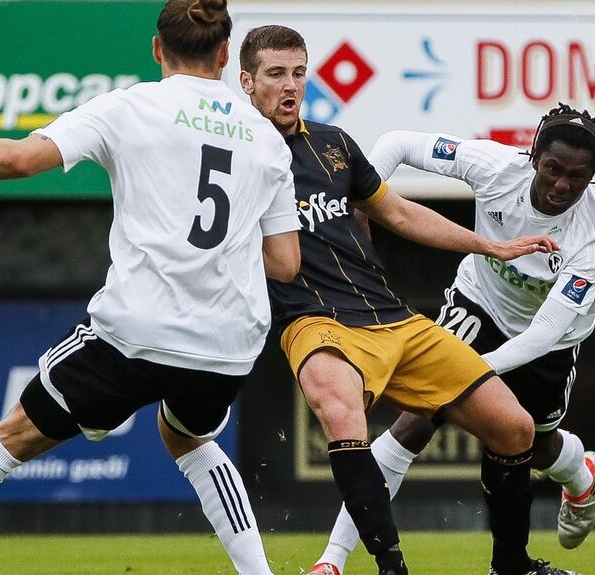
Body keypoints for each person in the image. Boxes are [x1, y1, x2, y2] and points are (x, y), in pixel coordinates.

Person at [0, 2, 301, 574]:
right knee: (188, 437)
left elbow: (18, 159)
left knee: (14, 434)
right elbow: (286, 263)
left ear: (156, 49)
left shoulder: (129, 107)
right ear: (225, 55)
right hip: (225, 343)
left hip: (135, 332)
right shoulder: (266, 140)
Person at [238, 25, 566, 575]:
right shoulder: (233, 159)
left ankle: (511, 565)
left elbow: (400, 213)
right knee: (344, 418)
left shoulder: (334, 144)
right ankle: (391, 568)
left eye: (298, 72)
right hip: (314, 322)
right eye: (275, 74)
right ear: (247, 81)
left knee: (516, 429)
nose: (290, 86)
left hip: (394, 318)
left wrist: (492, 245)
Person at [310, 104, 595, 575]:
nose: (560, 185)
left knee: (532, 446)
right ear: (533, 155)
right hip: (478, 304)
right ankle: (332, 562)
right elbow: (398, 141)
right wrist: (362, 201)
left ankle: (581, 473)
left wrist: (474, 375)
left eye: (576, 178)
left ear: (592, 178)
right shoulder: (496, 166)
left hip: (547, 344)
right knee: (416, 420)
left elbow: (544, 332)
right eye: (553, 169)